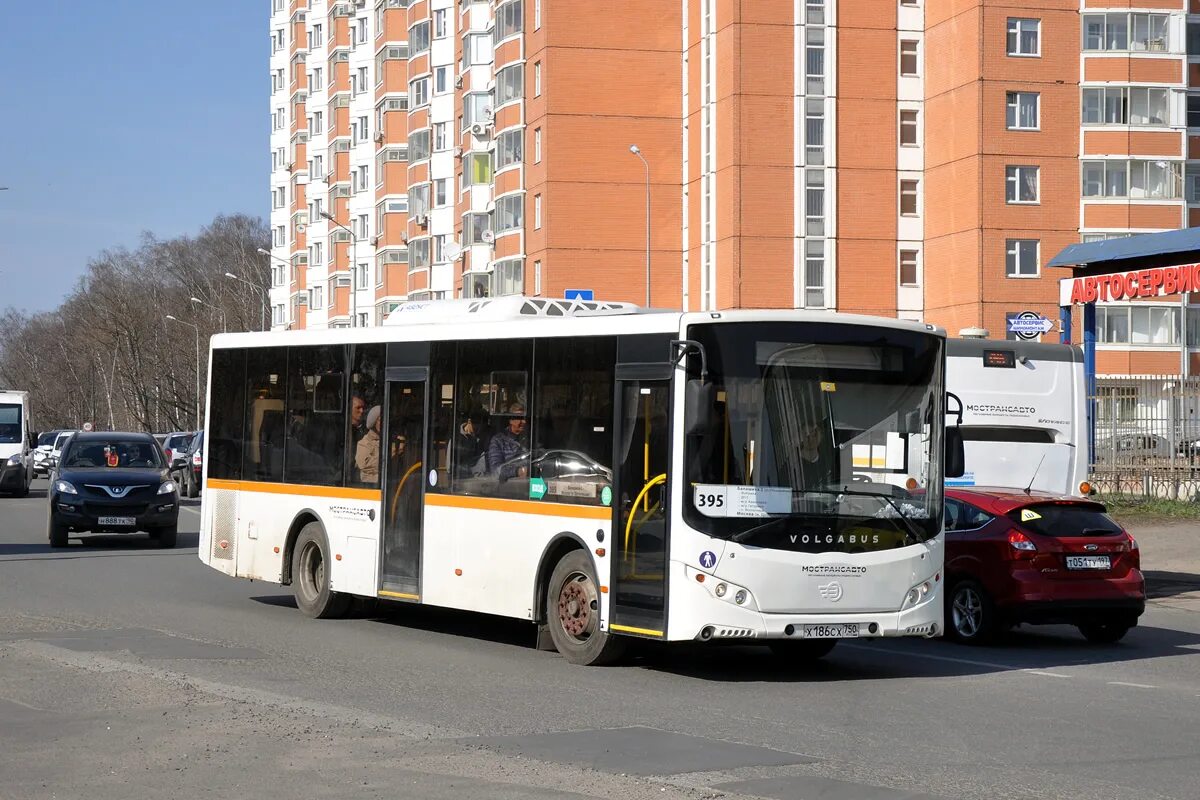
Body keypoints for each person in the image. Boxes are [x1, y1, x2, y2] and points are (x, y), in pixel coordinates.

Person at [487, 403, 528, 480]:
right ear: (511, 420)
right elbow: (495, 470)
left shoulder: (531, 438)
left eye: (525, 418)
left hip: (530, 483)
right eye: (520, 418)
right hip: (508, 487)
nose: (524, 422)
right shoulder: (498, 440)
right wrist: (518, 471)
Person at [356, 405, 382, 485]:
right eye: (380, 420)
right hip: (370, 488)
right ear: (373, 422)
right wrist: (390, 454)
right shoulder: (364, 443)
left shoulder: (390, 440)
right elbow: (364, 465)